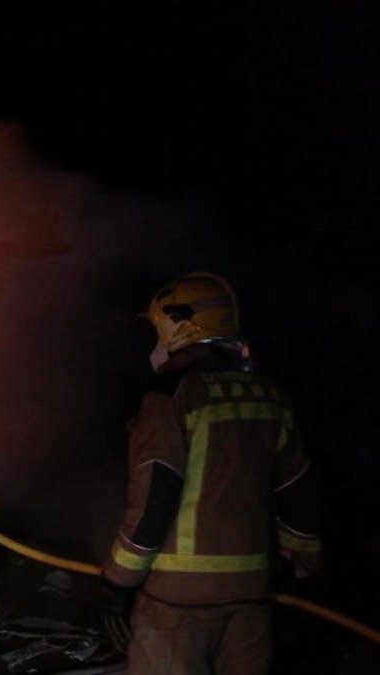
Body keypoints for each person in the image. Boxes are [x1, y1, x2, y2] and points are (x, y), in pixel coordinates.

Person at [101, 272, 322, 674]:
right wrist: (300, 563)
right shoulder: (270, 397)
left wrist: (119, 581)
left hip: (176, 602)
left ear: (179, 327)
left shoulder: (171, 397)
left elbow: (156, 495)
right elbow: (297, 491)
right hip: (250, 594)